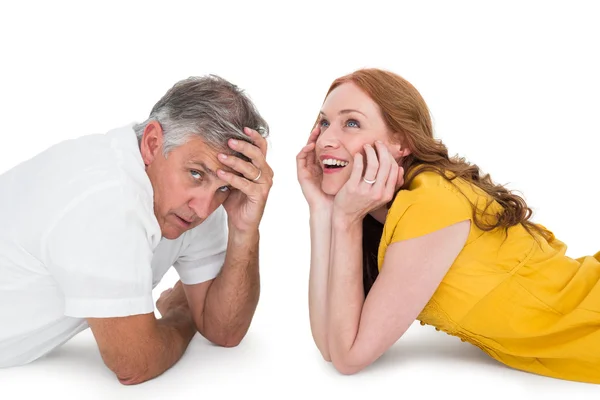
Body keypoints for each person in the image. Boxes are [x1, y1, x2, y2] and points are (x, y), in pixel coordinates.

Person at [296, 67, 600, 384]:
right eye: (324, 122)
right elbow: (330, 345)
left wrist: (344, 220)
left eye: (352, 123)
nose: (326, 139)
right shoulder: (394, 206)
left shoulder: (429, 205)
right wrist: (322, 210)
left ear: (400, 142)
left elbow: (348, 356)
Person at [0, 74, 273, 385]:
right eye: (196, 174)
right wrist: (181, 315)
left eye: (224, 187)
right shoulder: (108, 199)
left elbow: (224, 331)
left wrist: (245, 230)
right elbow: (133, 363)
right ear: (153, 143)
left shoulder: (198, 202)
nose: (204, 209)